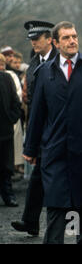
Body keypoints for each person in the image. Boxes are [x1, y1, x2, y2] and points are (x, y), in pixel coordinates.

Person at [22, 21, 82, 244]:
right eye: (66, 37)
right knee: (56, 208)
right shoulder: (44, 72)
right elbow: (37, 113)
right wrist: (30, 147)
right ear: (55, 43)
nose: (72, 40)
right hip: (55, 152)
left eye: (74, 36)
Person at [11, 20, 59, 237]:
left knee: (56, 180)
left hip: (58, 129)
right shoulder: (33, 65)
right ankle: (30, 221)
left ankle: (64, 227)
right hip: (39, 129)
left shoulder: (62, 62)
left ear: (50, 39)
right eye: (31, 39)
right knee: (38, 178)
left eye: (37, 38)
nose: (33, 43)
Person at [0, 60, 22, 207]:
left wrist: (11, 118)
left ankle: (8, 194)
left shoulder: (6, 78)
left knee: (6, 166)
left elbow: (16, 101)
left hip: (4, 129)